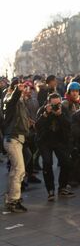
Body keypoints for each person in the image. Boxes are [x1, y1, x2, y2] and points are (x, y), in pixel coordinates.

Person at [36, 93, 75, 201]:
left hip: (60, 141)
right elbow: (37, 126)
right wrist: (46, 115)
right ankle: (50, 190)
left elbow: (69, 125)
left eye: (58, 104)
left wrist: (60, 115)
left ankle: (62, 187)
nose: (56, 106)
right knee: (47, 163)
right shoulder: (42, 110)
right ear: (49, 103)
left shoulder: (63, 110)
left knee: (66, 162)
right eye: (53, 104)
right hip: (45, 141)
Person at [2, 82, 32, 213]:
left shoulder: (20, 103)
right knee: (18, 170)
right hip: (12, 138)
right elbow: (12, 100)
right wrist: (17, 92)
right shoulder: (10, 99)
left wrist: (29, 123)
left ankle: (13, 198)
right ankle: (13, 200)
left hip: (18, 138)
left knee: (18, 170)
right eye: (21, 89)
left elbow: (20, 118)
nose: (25, 90)